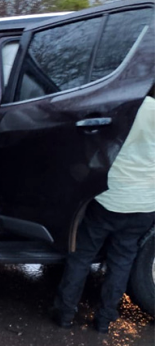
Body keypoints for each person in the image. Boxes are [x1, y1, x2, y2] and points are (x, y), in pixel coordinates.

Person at [52, 87, 155, 334]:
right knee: (121, 263)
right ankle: (104, 320)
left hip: (110, 198)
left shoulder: (123, 105)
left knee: (81, 256)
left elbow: (97, 145)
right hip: (145, 204)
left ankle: (64, 314)